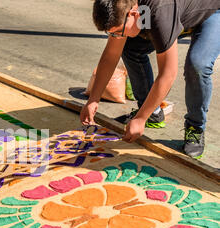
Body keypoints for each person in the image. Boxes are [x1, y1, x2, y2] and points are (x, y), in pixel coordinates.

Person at [80, 0, 220, 159]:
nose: (115, 36)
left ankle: (195, 127)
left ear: (133, 14)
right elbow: (111, 54)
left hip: (211, 12)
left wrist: (140, 118)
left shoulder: (159, 12)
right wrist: (93, 99)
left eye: (117, 32)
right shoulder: (122, 5)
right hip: (176, 12)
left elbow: (168, 74)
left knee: (197, 65)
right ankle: (152, 113)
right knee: (128, 47)